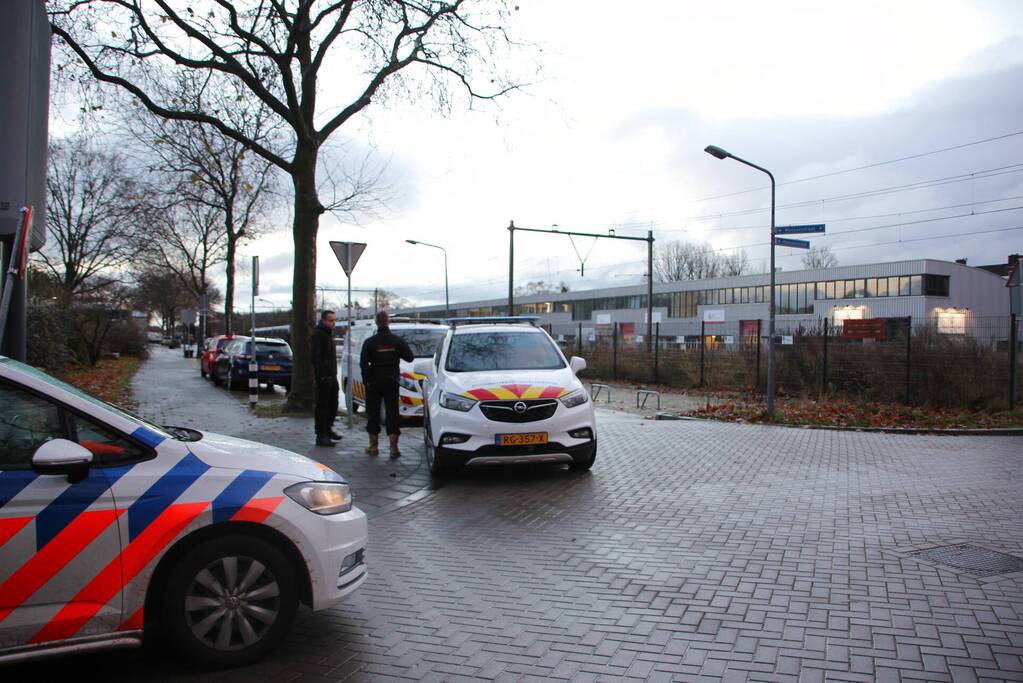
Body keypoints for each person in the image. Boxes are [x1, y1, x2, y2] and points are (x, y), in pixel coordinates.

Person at [360, 310, 414, 457]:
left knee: (373, 413)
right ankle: (393, 449)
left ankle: (373, 447)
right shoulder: (397, 341)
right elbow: (410, 357)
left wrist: (367, 380)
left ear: (376, 323)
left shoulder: (369, 342)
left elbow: (363, 363)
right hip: (392, 381)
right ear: (388, 322)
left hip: (374, 382)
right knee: (392, 413)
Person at [310, 310, 341, 447]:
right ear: (323, 320)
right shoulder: (318, 335)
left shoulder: (329, 335)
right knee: (323, 406)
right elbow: (316, 357)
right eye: (330, 320)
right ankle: (321, 434)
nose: (333, 323)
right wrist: (322, 375)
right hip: (324, 376)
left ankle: (328, 429)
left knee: (333, 404)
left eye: (334, 320)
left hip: (331, 375)